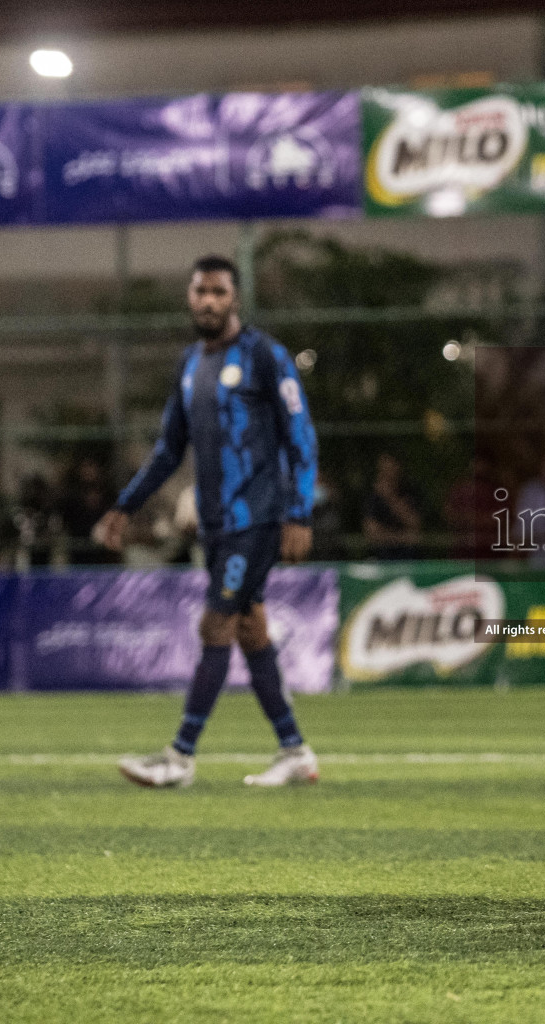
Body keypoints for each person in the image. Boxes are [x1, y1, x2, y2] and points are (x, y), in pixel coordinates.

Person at [98, 254, 320, 789]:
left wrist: (299, 512)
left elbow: (301, 435)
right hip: (217, 525)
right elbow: (168, 449)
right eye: (200, 291)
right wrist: (126, 505)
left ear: (235, 298)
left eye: (219, 292)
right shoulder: (189, 365)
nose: (208, 301)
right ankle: (295, 751)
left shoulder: (265, 355)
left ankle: (179, 757)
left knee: (214, 624)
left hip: (259, 518)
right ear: (189, 297)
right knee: (249, 628)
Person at [362, 453, 422, 560]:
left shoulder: (410, 491)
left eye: (390, 468)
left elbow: (415, 524)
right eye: (383, 469)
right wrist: (401, 537)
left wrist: (390, 498)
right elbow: (372, 532)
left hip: (408, 555)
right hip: (381, 555)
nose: (387, 473)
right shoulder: (373, 497)